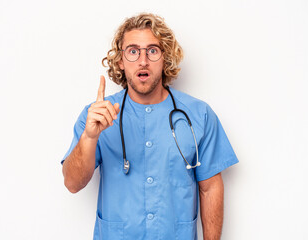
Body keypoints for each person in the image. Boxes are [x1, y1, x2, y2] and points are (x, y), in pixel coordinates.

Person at [61, 13, 238, 240]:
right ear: (121, 62)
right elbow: (72, 183)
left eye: (152, 51)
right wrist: (89, 137)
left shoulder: (199, 114)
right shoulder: (96, 115)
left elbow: (210, 187)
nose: (143, 61)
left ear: (165, 58)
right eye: (133, 51)